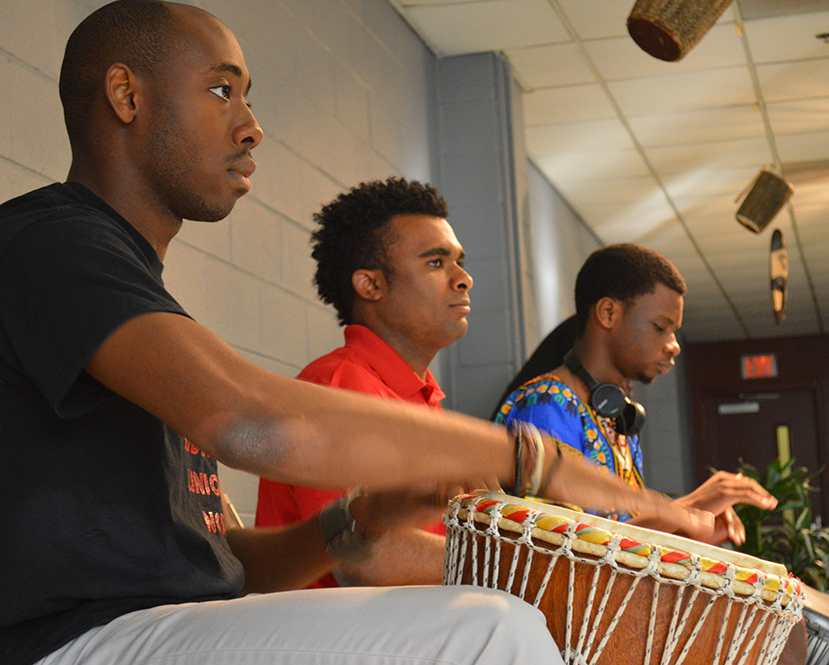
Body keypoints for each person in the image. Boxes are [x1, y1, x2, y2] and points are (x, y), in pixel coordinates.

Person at [0, 3, 714, 665]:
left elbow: (233, 564)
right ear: (127, 97)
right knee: (493, 627)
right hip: (77, 643)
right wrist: (535, 460)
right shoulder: (49, 242)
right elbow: (254, 422)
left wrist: (362, 514)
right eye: (222, 91)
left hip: (164, 624)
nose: (250, 126)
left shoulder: (135, 295)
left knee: (495, 621)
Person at [256, 178, 467, 588]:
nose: (463, 278)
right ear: (371, 284)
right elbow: (366, 558)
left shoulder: (421, 396)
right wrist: (511, 567)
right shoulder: (337, 386)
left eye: (460, 261)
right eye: (436, 262)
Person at [497, 244, 776, 544]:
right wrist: (688, 509)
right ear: (608, 313)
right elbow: (561, 551)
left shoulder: (618, 418)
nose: (674, 345)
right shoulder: (545, 405)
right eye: (660, 327)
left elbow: (624, 541)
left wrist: (691, 528)